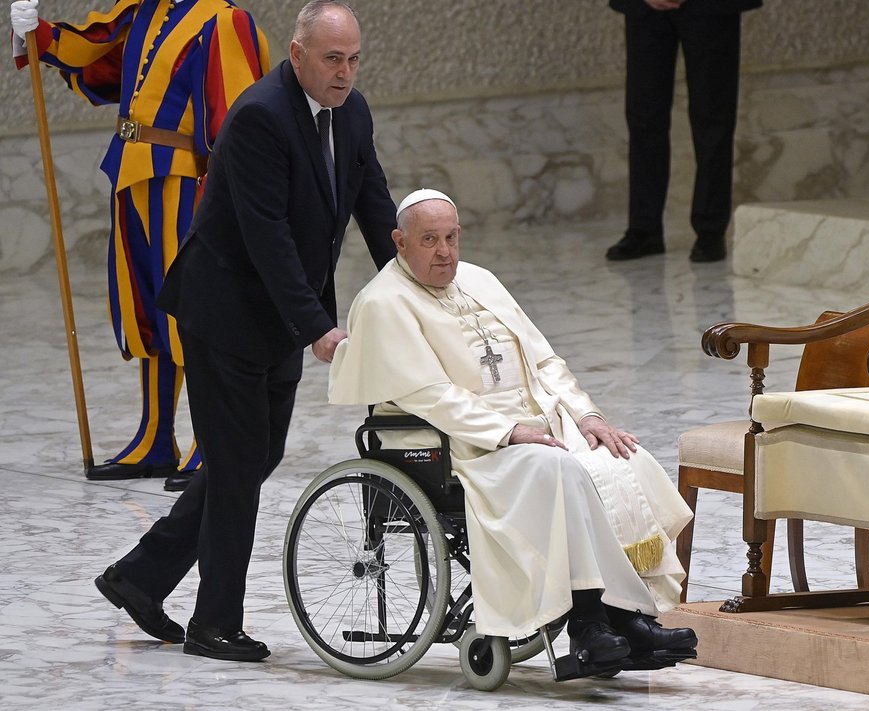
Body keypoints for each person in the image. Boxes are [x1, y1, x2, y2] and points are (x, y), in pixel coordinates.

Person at [93, 0, 396, 662]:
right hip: (227, 311)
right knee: (234, 469)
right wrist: (318, 327)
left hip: (279, 317)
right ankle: (214, 622)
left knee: (254, 457)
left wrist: (423, 288)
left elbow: (374, 204)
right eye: (331, 59)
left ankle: (138, 576)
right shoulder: (260, 116)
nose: (344, 74)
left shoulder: (354, 112)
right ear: (297, 55)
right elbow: (268, 238)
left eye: (353, 60)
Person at [329, 189, 698, 671]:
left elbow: (544, 358)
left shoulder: (479, 279)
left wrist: (587, 416)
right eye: (429, 240)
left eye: (451, 238)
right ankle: (588, 625)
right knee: (559, 469)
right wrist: (507, 432)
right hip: (465, 447)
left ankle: (624, 614)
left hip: (538, 425)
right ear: (400, 241)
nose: (445, 252)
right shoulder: (383, 302)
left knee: (618, 457)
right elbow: (430, 395)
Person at [9, 0, 270, 491]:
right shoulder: (145, 10)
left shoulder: (223, 19)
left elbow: (237, 115)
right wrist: (38, 34)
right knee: (145, 308)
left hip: (189, 181)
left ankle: (210, 442)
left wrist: (230, 197)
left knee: (196, 313)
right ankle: (155, 438)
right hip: (132, 173)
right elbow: (99, 59)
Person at [605, 0, 762, 263]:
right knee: (644, 116)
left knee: (713, 118)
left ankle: (710, 231)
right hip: (645, 6)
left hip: (709, 8)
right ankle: (644, 228)